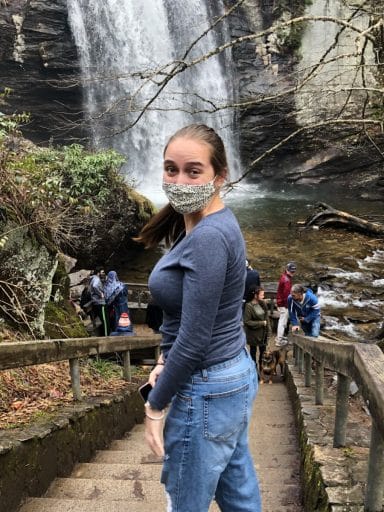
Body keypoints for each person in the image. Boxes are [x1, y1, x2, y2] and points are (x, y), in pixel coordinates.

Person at [135, 124, 261, 512]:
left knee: (185, 502)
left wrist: (155, 407)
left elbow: (194, 339)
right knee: (238, 494)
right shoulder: (212, 223)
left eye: (193, 171)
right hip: (231, 375)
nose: (179, 180)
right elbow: (185, 314)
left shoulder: (207, 237)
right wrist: (162, 359)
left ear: (219, 176)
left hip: (207, 387)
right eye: (171, 169)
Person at [243, 285, 270, 379]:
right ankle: (254, 373)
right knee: (253, 354)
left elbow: (267, 318)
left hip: (263, 335)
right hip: (253, 335)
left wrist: (268, 332)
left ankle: (262, 372)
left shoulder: (262, 304)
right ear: (255, 295)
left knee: (263, 354)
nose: (263, 296)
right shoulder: (248, 306)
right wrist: (261, 323)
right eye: (262, 294)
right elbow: (247, 322)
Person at [275, 261, 296, 346]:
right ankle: (279, 341)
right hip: (283, 304)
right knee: (282, 323)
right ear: (287, 270)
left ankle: (279, 337)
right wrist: (288, 306)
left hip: (281, 302)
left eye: (293, 271)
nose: (293, 273)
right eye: (291, 271)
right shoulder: (287, 280)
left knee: (282, 321)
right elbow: (286, 296)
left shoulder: (284, 277)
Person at [89, 267, 109, 336]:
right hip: (100, 302)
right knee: (105, 320)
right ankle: (106, 335)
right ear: (98, 273)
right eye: (102, 272)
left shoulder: (93, 278)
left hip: (96, 302)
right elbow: (95, 286)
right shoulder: (96, 279)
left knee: (103, 320)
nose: (103, 274)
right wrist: (100, 293)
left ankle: (104, 334)